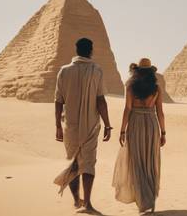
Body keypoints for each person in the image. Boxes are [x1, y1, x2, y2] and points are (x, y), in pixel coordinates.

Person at [53, 38, 112, 214]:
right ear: (91, 51)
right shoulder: (96, 71)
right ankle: (87, 203)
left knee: (74, 162)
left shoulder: (64, 71)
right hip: (91, 126)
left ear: (76, 50)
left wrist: (57, 125)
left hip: (70, 126)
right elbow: (101, 100)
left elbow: (58, 101)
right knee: (88, 164)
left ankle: (75, 201)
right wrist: (108, 125)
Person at [112, 58, 166, 213]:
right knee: (149, 161)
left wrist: (122, 130)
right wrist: (163, 132)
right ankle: (150, 200)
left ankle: (143, 201)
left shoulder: (130, 87)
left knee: (137, 162)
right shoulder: (156, 88)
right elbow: (160, 112)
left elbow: (127, 109)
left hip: (135, 124)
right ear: (151, 72)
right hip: (151, 124)